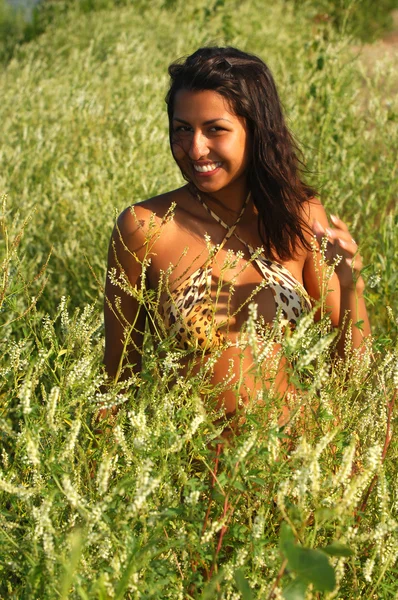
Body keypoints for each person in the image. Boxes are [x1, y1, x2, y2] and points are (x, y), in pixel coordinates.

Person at [103, 46, 370, 421]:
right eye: (182, 129)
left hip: (301, 464)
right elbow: (118, 378)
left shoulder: (301, 217)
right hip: (194, 474)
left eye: (215, 129)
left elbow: (353, 379)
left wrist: (351, 285)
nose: (195, 149)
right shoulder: (145, 227)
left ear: (256, 129)